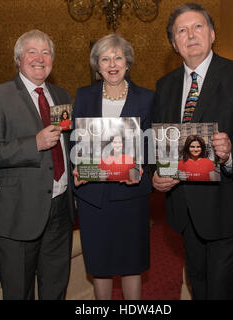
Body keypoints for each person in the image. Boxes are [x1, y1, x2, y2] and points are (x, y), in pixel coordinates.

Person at [152, 3, 233, 299]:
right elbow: (159, 145)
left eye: (198, 27)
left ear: (213, 34)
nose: (190, 34)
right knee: (198, 282)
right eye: (182, 30)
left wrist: (230, 154)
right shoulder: (164, 86)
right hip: (184, 209)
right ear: (174, 43)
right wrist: (157, 175)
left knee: (219, 287)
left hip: (226, 205)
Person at [0, 30, 75, 300]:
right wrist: (34, 143)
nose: (40, 58)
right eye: (32, 52)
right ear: (18, 59)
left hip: (60, 210)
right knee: (19, 292)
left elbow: (68, 147)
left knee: (56, 288)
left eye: (46, 53)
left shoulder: (61, 94)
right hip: (19, 213)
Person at [72, 33, 153, 300]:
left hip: (131, 194)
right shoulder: (83, 96)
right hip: (93, 197)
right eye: (105, 58)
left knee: (132, 264)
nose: (112, 63)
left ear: (127, 62)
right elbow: (75, 140)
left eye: (118, 57)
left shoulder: (147, 98)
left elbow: (152, 147)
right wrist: (77, 166)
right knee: (100, 266)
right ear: (97, 66)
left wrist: (142, 169)